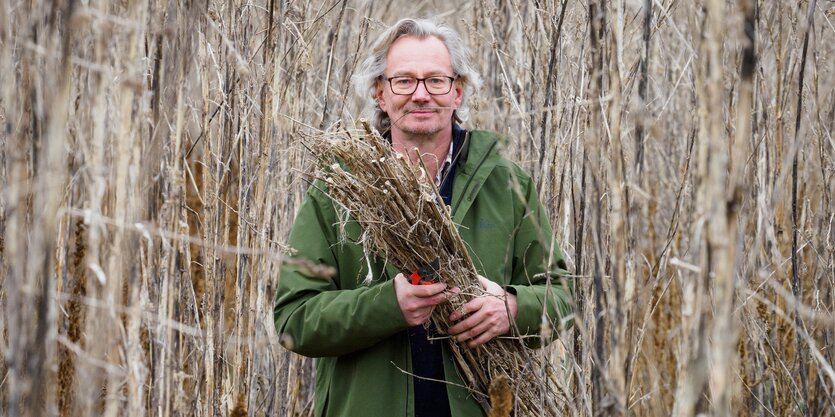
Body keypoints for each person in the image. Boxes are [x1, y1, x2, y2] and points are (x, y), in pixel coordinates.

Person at [274, 17, 572, 417]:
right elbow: (295, 321)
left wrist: (513, 309)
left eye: (436, 80)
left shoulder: (507, 184)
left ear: (458, 92)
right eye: (404, 81)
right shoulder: (336, 189)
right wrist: (387, 306)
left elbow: (562, 296)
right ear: (380, 93)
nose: (420, 95)